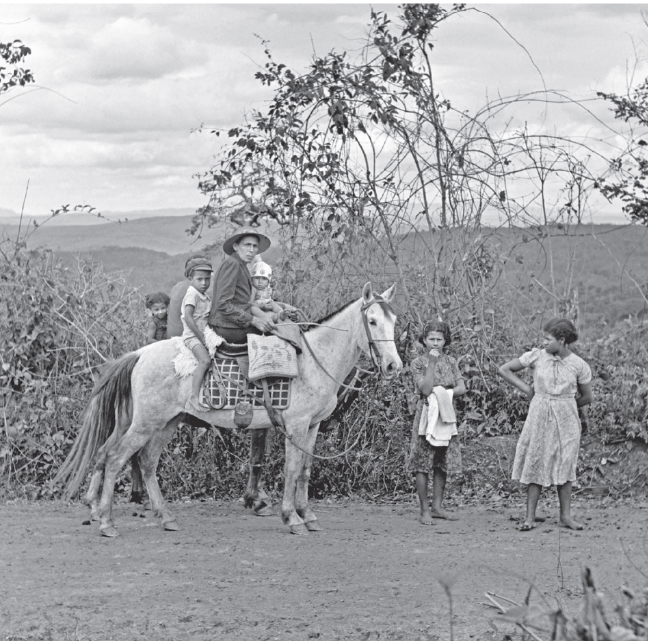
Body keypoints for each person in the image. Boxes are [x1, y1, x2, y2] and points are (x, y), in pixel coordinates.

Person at [498, 318, 593, 532]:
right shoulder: (537, 356)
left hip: (567, 418)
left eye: (547, 339)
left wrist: (566, 406)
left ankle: (565, 516)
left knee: (565, 462)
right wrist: (529, 390)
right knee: (536, 457)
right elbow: (504, 369)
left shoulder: (579, 365)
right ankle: (529, 517)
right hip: (539, 414)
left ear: (561, 340)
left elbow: (587, 396)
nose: (543, 343)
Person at [408, 320, 466, 525]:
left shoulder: (451, 361)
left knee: (441, 461)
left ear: (445, 341)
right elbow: (424, 389)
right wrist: (431, 364)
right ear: (424, 341)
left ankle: (437, 506)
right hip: (425, 413)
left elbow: (461, 387)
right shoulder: (418, 363)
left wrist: (443, 393)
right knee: (422, 462)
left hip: (446, 413)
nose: (435, 343)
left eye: (439, 339)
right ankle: (424, 510)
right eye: (431, 339)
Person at [208, 227, 276, 344]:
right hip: (227, 327)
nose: (251, 250)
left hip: (233, 323)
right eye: (247, 245)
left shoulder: (240, 264)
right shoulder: (232, 264)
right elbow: (223, 304)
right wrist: (254, 320)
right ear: (236, 246)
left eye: (255, 246)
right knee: (278, 330)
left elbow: (239, 302)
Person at [181, 257, 214, 412]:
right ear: (190, 278)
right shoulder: (192, 294)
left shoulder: (204, 296)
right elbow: (188, 316)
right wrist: (201, 337)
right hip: (192, 336)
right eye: (199, 279)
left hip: (203, 334)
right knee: (205, 361)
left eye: (207, 279)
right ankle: (193, 397)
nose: (204, 283)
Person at [166, 254, 212, 339]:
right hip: (186, 337)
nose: (204, 282)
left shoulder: (176, 287)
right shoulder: (194, 292)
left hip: (170, 336)